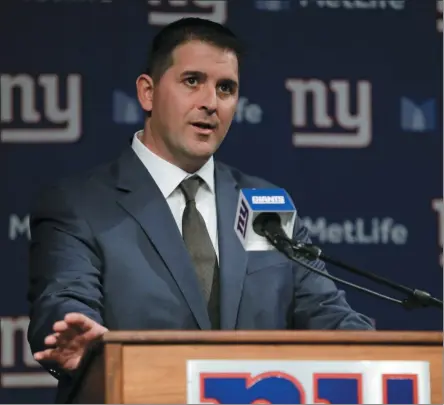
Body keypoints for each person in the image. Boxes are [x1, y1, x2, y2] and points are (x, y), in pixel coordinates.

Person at [27, 17, 374, 403]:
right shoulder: (80, 203)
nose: (210, 102)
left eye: (225, 88)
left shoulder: (262, 201)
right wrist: (82, 340)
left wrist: (382, 358)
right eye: (192, 81)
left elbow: (325, 312)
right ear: (148, 92)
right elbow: (66, 299)